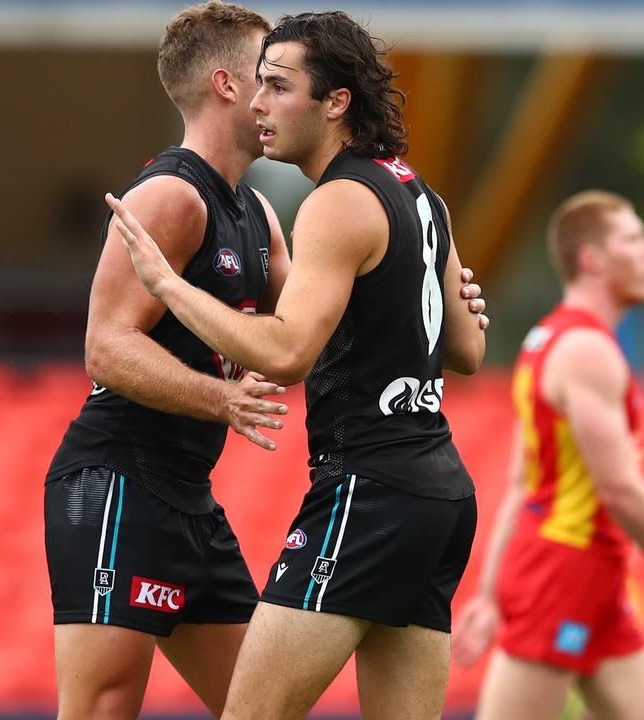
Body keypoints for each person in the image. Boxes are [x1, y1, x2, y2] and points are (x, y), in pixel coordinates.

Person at [106, 11, 487, 719]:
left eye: (279, 86)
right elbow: (467, 350)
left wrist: (169, 287)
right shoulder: (417, 191)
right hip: (439, 495)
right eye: (257, 85)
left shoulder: (337, 202)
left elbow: (286, 352)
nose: (259, 104)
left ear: (335, 101)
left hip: (370, 491)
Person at [43, 4, 290, 718]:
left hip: (188, 496)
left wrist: (427, 280)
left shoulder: (259, 214)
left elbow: (305, 334)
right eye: (267, 76)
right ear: (225, 84)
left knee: (263, 707)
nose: (277, 93)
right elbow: (106, 346)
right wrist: (222, 399)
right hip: (119, 482)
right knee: (102, 707)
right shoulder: (172, 196)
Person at [449, 190, 644, 720]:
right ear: (592, 258)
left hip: (596, 580)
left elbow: (521, 482)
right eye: (633, 238)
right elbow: (620, 487)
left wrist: (488, 595)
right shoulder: (586, 351)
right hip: (562, 571)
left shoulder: (548, 341)